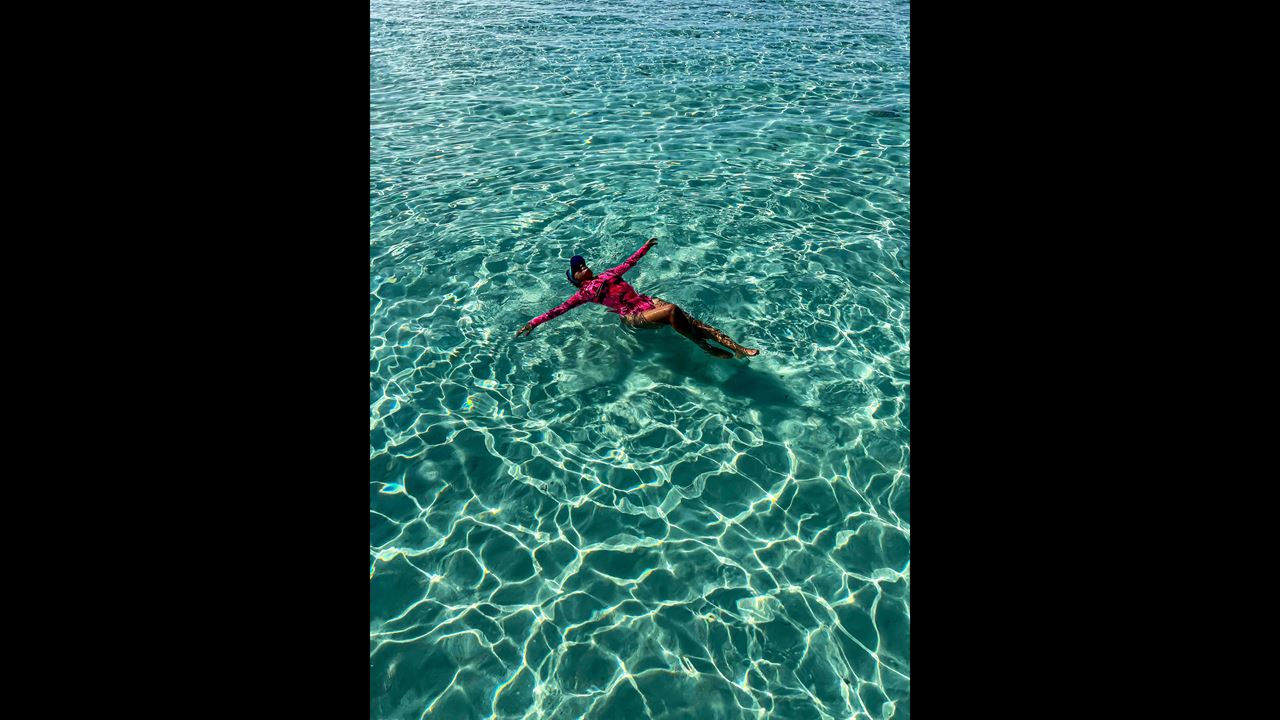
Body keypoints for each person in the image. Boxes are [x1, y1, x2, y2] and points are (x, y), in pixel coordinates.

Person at [515, 238, 760, 359]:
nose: (584, 268)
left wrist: (646, 247)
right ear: (576, 279)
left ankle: (736, 348)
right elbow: (557, 311)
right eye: (579, 269)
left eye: (584, 265)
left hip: (645, 302)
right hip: (631, 316)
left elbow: (630, 262)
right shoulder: (583, 294)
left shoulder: (609, 273)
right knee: (672, 310)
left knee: (695, 322)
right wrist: (533, 323)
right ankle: (704, 347)